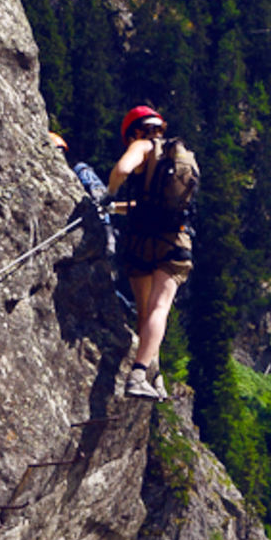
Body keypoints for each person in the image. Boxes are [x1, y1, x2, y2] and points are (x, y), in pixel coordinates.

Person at [91, 105, 195, 400]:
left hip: (141, 241)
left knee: (146, 312)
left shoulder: (141, 146)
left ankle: (143, 373)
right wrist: (117, 208)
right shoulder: (173, 156)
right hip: (174, 240)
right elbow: (154, 204)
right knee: (160, 309)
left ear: (134, 132)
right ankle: (149, 374)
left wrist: (108, 196)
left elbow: (122, 170)